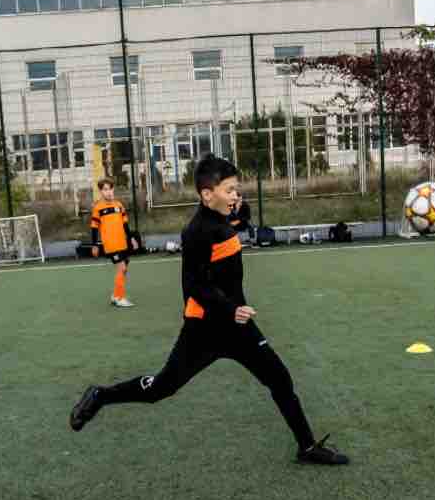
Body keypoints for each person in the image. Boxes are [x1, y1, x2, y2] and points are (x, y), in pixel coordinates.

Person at [69, 154, 348, 465]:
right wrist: (231, 310)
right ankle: (101, 395)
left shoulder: (222, 219)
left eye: (236, 189)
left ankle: (307, 447)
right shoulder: (197, 232)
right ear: (207, 194)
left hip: (238, 327)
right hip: (204, 330)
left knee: (280, 380)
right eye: (229, 190)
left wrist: (235, 311)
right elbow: (195, 287)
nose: (235, 196)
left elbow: (230, 246)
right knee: (160, 389)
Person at [90, 177, 139, 308]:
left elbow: (125, 225)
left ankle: (115, 295)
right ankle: (119, 298)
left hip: (122, 243)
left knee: (124, 268)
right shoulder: (98, 208)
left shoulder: (119, 205)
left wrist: (132, 238)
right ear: (101, 192)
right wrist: (94, 245)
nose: (109, 192)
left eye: (110, 188)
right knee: (122, 268)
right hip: (111, 245)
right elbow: (94, 228)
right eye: (105, 189)